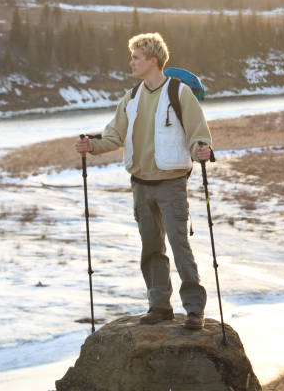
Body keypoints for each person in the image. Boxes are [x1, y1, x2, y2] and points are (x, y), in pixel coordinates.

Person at [74, 32, 212, 330]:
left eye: (136, 58)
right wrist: (92, 146)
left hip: (171, 183)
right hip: (140, 183)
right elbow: (113, 135)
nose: (130, 63)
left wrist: (202, 149)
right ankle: (160, 305)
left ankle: (194, 309)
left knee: (179, 245)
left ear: (153, 60)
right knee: (151, 248)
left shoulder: (179, 93)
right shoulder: (132, 97)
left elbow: (197, 133)